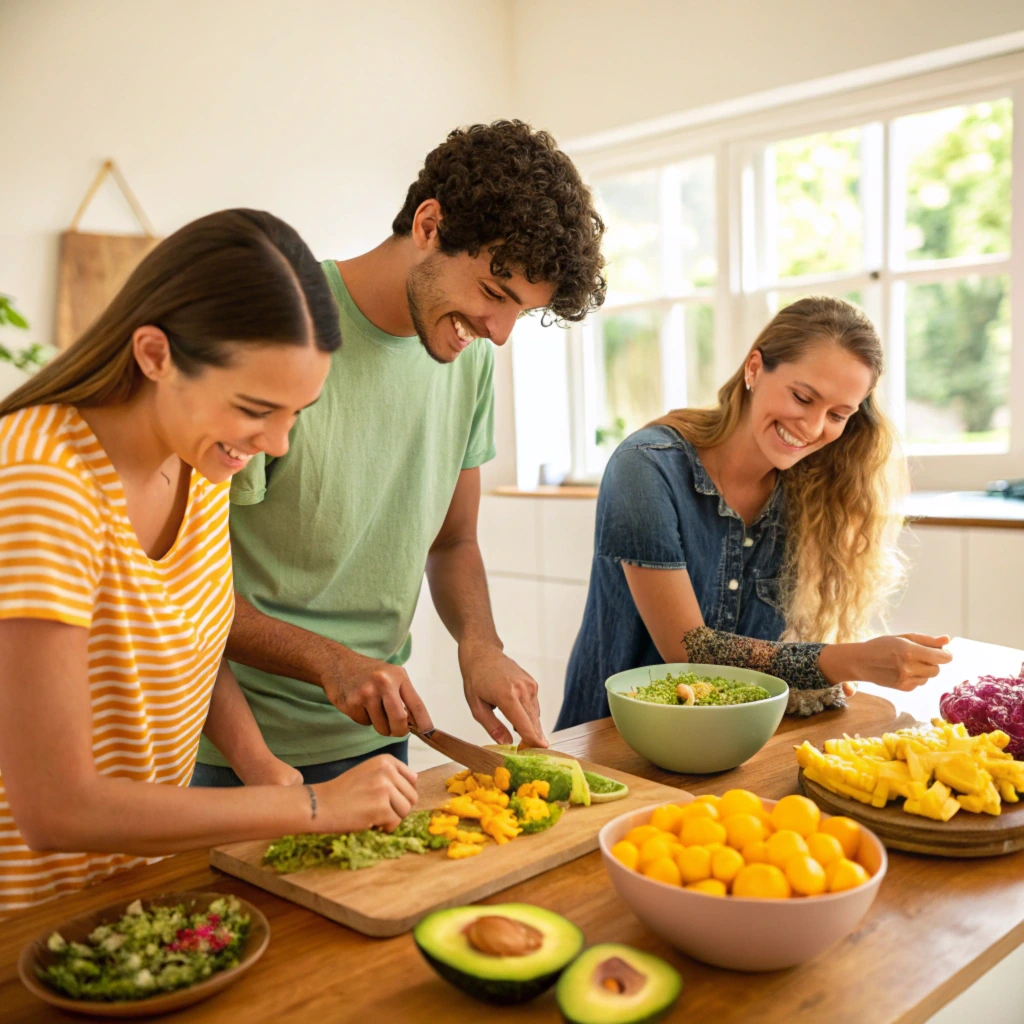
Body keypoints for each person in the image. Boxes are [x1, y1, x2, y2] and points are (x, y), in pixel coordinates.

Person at [0, 210, 418, 915]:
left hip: (132, 894)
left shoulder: (199, 464)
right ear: (156, 355)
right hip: (24, 919)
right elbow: (55, 808)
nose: (278, 444)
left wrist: (259, 765)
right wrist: (313, 806)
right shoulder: (42, 481)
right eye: (256, 408)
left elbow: (197, 635)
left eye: (296, 413)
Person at [191, 121, 607, 787]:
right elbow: (188, 591)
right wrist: (331, 662)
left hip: (379, 733)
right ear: (429, 225)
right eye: (494, 296)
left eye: (519, 315)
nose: (498, 336)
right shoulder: (280, 334)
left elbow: (453, 542)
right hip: (230, 751)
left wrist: (480, 645)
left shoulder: (465, 360)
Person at [557, 296, 952, 728]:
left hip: (741, 747)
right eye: (803, 397)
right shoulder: (646, 467)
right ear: (754, 369)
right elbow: (689, 651)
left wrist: (819, 671)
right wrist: (846, 660)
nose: (815, 428)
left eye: (838, 415)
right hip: (613, 748)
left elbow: (775, 657)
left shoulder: (815, 491)